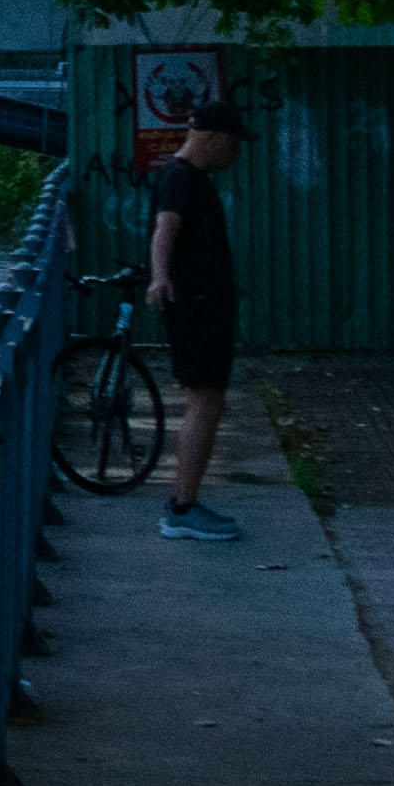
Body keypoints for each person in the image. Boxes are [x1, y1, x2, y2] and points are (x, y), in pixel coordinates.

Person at [143, 102, 243, 542]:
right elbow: (165, 229)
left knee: (210, 401)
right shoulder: (182, 178)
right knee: (203, 401)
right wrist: (161, 277)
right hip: (196, 307)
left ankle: (188, 501)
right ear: (214, 137)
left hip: (205, 306)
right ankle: (182, 507)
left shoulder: (185, 177)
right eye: (233, 142)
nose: (236, 152)